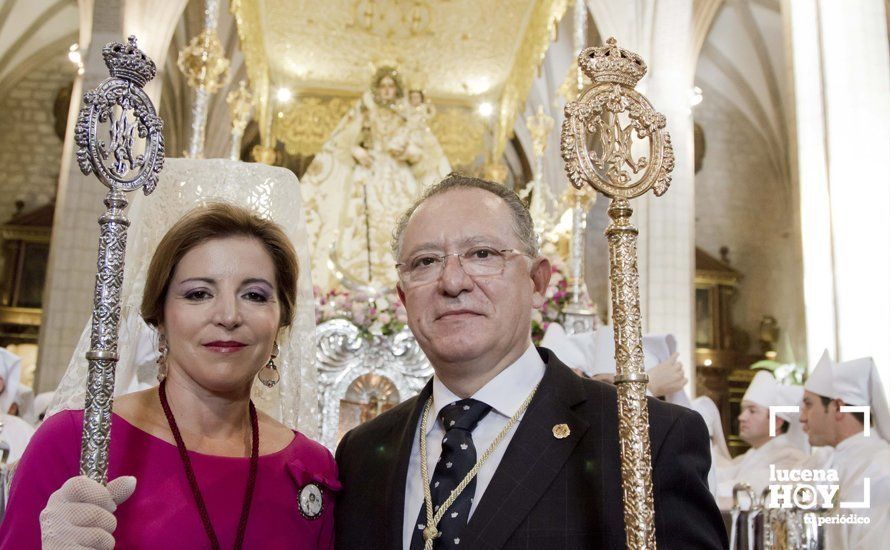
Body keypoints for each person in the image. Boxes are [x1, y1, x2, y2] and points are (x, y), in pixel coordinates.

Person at [334, 174, 726, 549]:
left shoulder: (642, 438)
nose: (452, 282)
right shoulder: (364, 453)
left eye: (482, 254)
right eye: (425, 262)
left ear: (537, 283)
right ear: (404, 299)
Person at [0, 204, 338, 549]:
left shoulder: (312, 465)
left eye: (254, 295)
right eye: (198, 294)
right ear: (159, 316)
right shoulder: (75, 440)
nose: (228, 315)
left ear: (280, 320)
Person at [300, 66, 450, 290]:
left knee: (404, 221)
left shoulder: (406, 116)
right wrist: (357, 151)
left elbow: (421, 151)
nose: (387, 91)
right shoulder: (366, 113)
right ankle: (362, 280)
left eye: (391, 86)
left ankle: (403, 278)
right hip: (369, 175)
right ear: (377, 89)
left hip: (398, 178)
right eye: (383, 86)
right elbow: (345, 140)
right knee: (360, 223)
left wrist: (410, 152)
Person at [801, 350, 890, 549]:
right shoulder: (826, 460)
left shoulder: (880, 470)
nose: (802, 417)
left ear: (839, 408)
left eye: (808, 405)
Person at [715, 371, 807, 506]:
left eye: (752, 411)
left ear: (776, 422)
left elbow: (747, 488)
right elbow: (722, 476)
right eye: (743, 410)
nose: (742, 417)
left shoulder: (790, 457)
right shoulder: (750, 455)